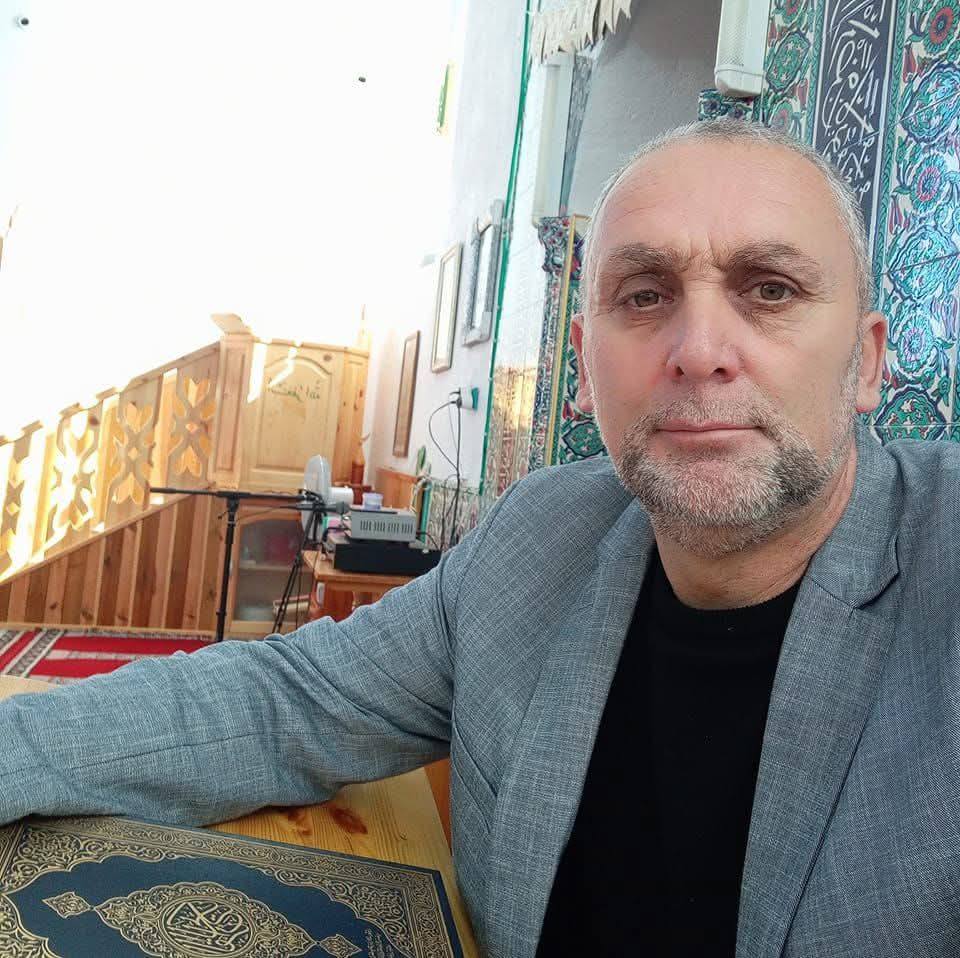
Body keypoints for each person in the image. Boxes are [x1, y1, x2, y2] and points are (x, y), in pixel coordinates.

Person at [1, 117, 957, 958]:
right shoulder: (541, 539)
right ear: (584, 370)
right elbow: (287, 701)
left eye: (771, 289)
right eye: (644, 295)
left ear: (866, 362)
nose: (699, 350)